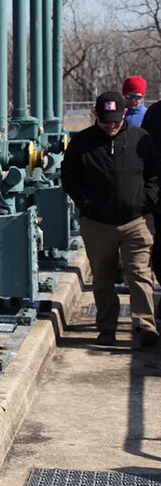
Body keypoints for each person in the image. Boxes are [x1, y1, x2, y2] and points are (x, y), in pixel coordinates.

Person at [62, 91, 160, 348]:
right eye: (106, 122)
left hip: (136, 221)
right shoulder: (82, 143)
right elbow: (70, 177)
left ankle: (146, 324)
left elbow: (155, 173)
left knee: (140, 273)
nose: (112, 126)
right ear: (95, 116)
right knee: (103, 278)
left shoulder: (141, 139)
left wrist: (146, 201)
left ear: (124, 114)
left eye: (116, 121)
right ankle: (107, 328)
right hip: (97, 224)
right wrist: (86, 203)